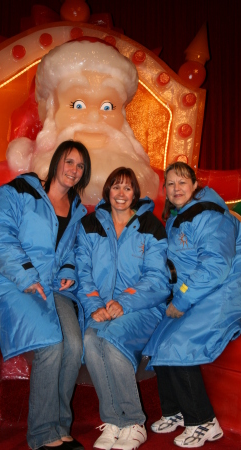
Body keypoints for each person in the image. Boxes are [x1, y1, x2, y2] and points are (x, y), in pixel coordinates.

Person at [0, 140, 91, 450]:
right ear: (56, 162)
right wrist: (26, 275)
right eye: (69, 161)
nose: (74, 170)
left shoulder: (78, 210)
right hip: (14, 282)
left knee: (74, 345)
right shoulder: (18, 191)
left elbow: (74, 251)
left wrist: (69, 270)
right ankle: (43, 435)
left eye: (80, 166)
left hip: (54, 287)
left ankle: (60, 427)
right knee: (51, 345)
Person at [143, 162, 241, 448]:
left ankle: (204, 422)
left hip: (223, 294)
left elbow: (216, 265)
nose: (176, 188)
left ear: (194, 185)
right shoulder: (178, 217)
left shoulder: (210, 216)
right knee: (157, 343)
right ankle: (176, 412)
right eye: (170, 184)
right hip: (197, 293)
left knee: (177, 345)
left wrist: (181, 299)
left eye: (182, 182)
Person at [75, 167, 171, 450]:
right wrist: (95, 305)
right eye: (115, 187)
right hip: (101, 308)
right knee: (91, 339)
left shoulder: (150, 226)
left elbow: (157, 279)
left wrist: (124, 302)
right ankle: (114, 421)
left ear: (135, 194)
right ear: (107, 191)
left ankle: (133, 422)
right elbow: (83, 272)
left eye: (127, 188)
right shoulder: (90, 223)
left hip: (142, 308)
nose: (121, 193)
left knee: (110, 340)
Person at [6, 38, 159, 204]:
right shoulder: (10, 189)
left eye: (107, 106)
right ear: (51, 110)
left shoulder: (166, 189)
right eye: (77, 105)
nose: (94, 117)